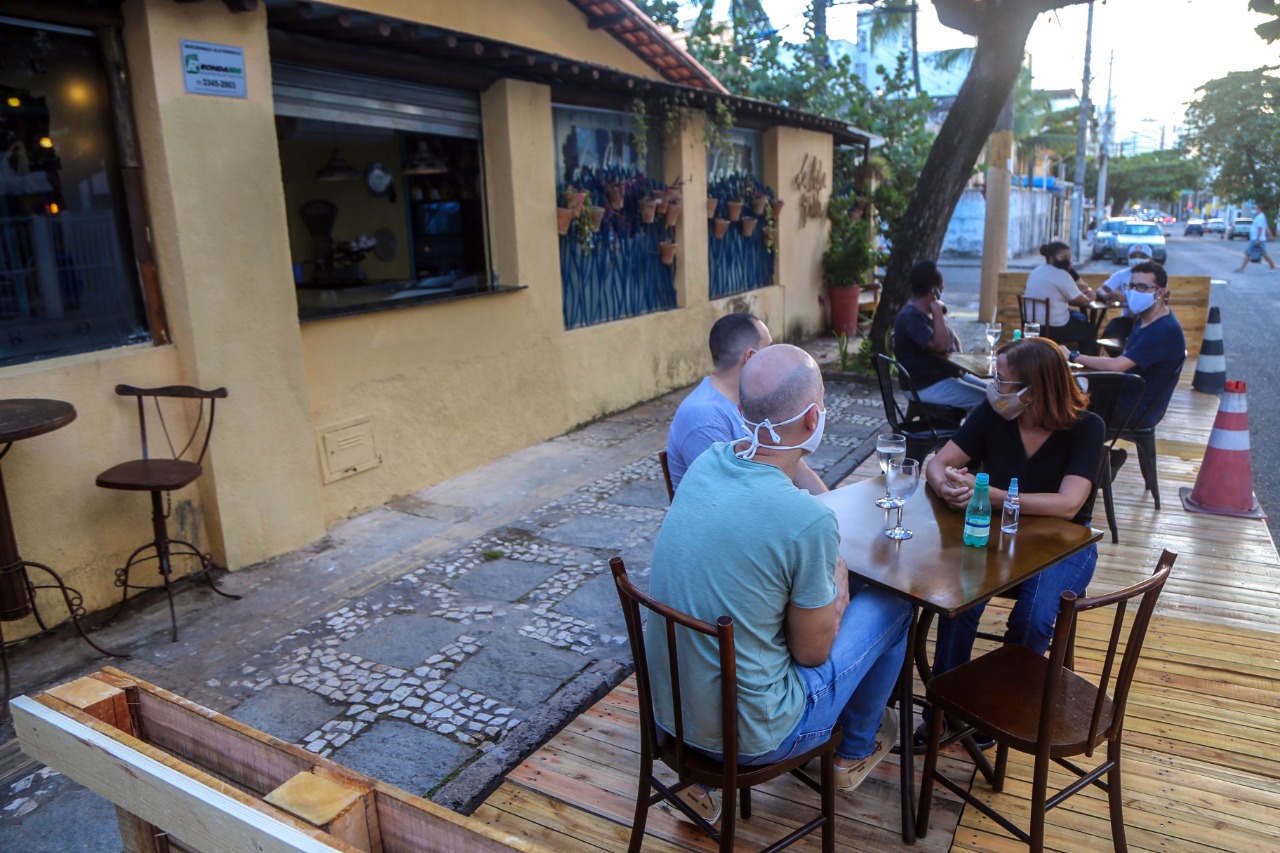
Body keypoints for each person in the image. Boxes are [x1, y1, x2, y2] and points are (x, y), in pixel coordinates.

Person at [648, 344, 911, 821]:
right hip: (755, 737)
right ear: (814, 420)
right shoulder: (804, 522)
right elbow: (811, 654)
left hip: (672, 715)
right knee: (894, 602)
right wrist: (837, 580)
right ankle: (854, 750)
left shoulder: (709, 462)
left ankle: (705, 785)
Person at [920, 337, 1103, 743]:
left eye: (1001, 381)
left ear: (1034, 388)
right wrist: (945, 485)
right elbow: (940, 462)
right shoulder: (995, 414)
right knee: (958, 602)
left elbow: (1069, 503)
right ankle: (943, 712)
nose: (993, 387)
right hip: (994, 536)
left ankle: (997, 712)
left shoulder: (1086, 427)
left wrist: (991, 494)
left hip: (1065, 544)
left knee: (1033, 617)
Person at [665, 313, 826, 494]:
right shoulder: (704, 416)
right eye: (769, 347)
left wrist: (834, 509)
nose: (775, 353)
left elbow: (798, 469)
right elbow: (729, 498)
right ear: (750, 356)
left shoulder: (757, 401)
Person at [1074, 261, 1186, 432]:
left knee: (1058, 411)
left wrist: (1072, 356)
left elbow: (1117, 366)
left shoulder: (1163, 330)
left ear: (1160, 292)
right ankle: (1102, 454)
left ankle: (1092, 454)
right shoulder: (1145, 319)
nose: (1134, 292)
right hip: (1124, 397)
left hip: (1133, 409)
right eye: (1131, 286)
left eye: (1142, 287)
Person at [891, 260, 987, 411]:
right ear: (934, 289)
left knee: (996, 395)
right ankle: (967, 435)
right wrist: (937, 308)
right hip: (925, 385)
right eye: (942, 287)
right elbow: (941, 346)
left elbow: (952, 337)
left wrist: (961, 365)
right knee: (985, 402)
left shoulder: (925, 313)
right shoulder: (912, 317)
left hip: (945, 376)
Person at [1024, 241, 1099, 355]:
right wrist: (1089, 294)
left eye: (1069, 257)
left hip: (1031, 324)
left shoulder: (1036, 271)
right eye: (1064, 257)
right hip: (1055, 327)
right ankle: (1086, 365)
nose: (1068, 260)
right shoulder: (1061, 275)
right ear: (1050, 258)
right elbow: (1080, 300)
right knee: (1090, 330)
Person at [1094, 243, 1155, 343]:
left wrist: (1126, 297)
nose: (1137, 259)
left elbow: (1154, 296)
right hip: (1128, 319)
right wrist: (1107, 296)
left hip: (1149, 320)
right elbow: (1102, 289)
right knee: (1109, 335)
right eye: (1133, 256)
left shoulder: (1156, 276)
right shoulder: (1122, 274)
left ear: (1150, 259)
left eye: (1142, 256)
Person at [1235, 203, 1277, 273]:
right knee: (1264, 253)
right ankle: (1272, 266)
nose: (1254, 210)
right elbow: (1266, 227)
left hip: (1257, 239)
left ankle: (1241, 268)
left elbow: (1260, 228)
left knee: (1247, 253)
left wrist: (1258, 239)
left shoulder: (1260, 217)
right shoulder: (1260, 216)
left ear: (1259, 209)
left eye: (1255, 208)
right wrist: (1270, 236)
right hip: (1257, 239)